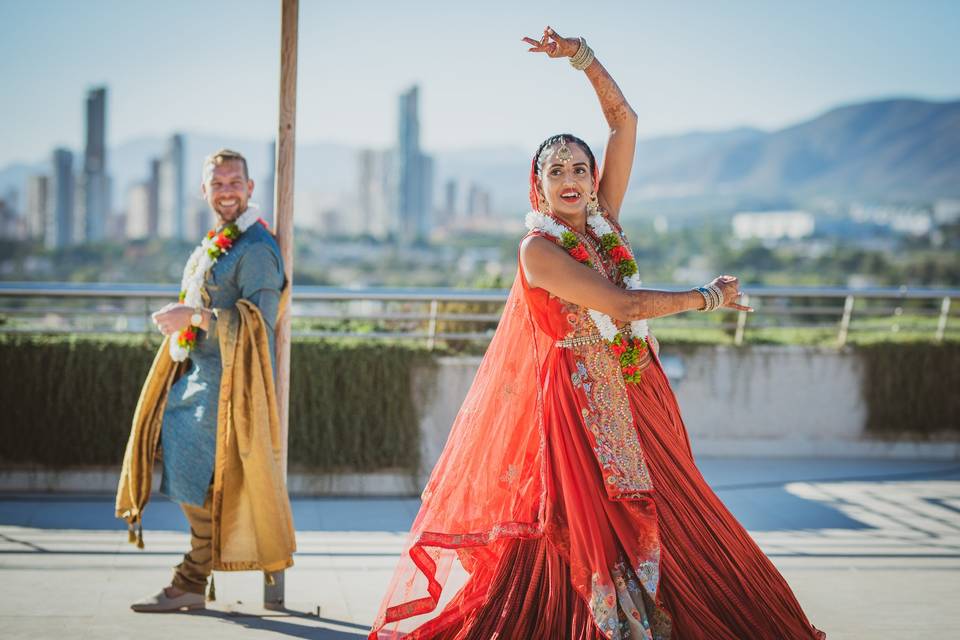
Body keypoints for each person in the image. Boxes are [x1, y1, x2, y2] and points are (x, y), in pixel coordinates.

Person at [370, 28, 826, 640]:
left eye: (580, 168)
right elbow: (621, 302)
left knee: (680, 506)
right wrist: (707, 297)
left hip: (635, 386)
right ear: (539, 185)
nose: (571, 177)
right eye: (556, 169)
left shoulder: (604, 221)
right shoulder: (539, 250)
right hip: (580, 403)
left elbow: (623, 119)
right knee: (590, 523)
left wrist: (583, 58)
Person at [117, 149, 296, 613]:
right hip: (198, 377)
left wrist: (192, 315)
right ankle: (193, 576)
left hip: (228, 389)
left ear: (251, 188)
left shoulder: (256, 248)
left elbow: (260, 322)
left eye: (235, 182)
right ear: (205, 192)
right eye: (218, 184)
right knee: (183, 467)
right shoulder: (220, 240)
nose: (227, 190)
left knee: (194, 470)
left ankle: (190, 579)